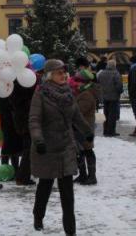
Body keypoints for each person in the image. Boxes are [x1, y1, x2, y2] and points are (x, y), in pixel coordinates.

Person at [30, 59, 93, 234]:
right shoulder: (40, 94)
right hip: (47, 148)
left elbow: (77, 116)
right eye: (59, 72)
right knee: (45, 186)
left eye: (64, 72)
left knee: (67, 194)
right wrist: (38, 139)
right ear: (50, 76)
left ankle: (70, 230)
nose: (64, 75)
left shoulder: (67, 93)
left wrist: (87, 132)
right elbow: (34, 120)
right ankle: (38, 216)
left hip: (66, 147)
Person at [69, 59, 99, 185]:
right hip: (81, 127)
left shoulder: (86, 94)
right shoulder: (83, 92)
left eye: (78, 81)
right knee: (80, 151)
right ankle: (83, 174)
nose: (75, 83)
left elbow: (78, 112)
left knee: (87, 150)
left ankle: (91, 177)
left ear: (84, 82)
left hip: (85, 127)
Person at [0, 86, 23, 178]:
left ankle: (15, 168)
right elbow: (3, 105)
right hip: (8, 121)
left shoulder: (14, 89)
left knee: (13, 145)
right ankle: (5, 168)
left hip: (15, 121)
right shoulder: (2, 93)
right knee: (8, 145)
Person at [98, 60, 123, 137]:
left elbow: (98, 83)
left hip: (104, 97)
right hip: (113, 97)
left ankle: (105, 130)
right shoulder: (116, 73)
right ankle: (111, 131)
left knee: (106, 114)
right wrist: (120, 92)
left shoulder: (101, 73)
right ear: (114, 65)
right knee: (112, 115)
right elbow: (119, 85)